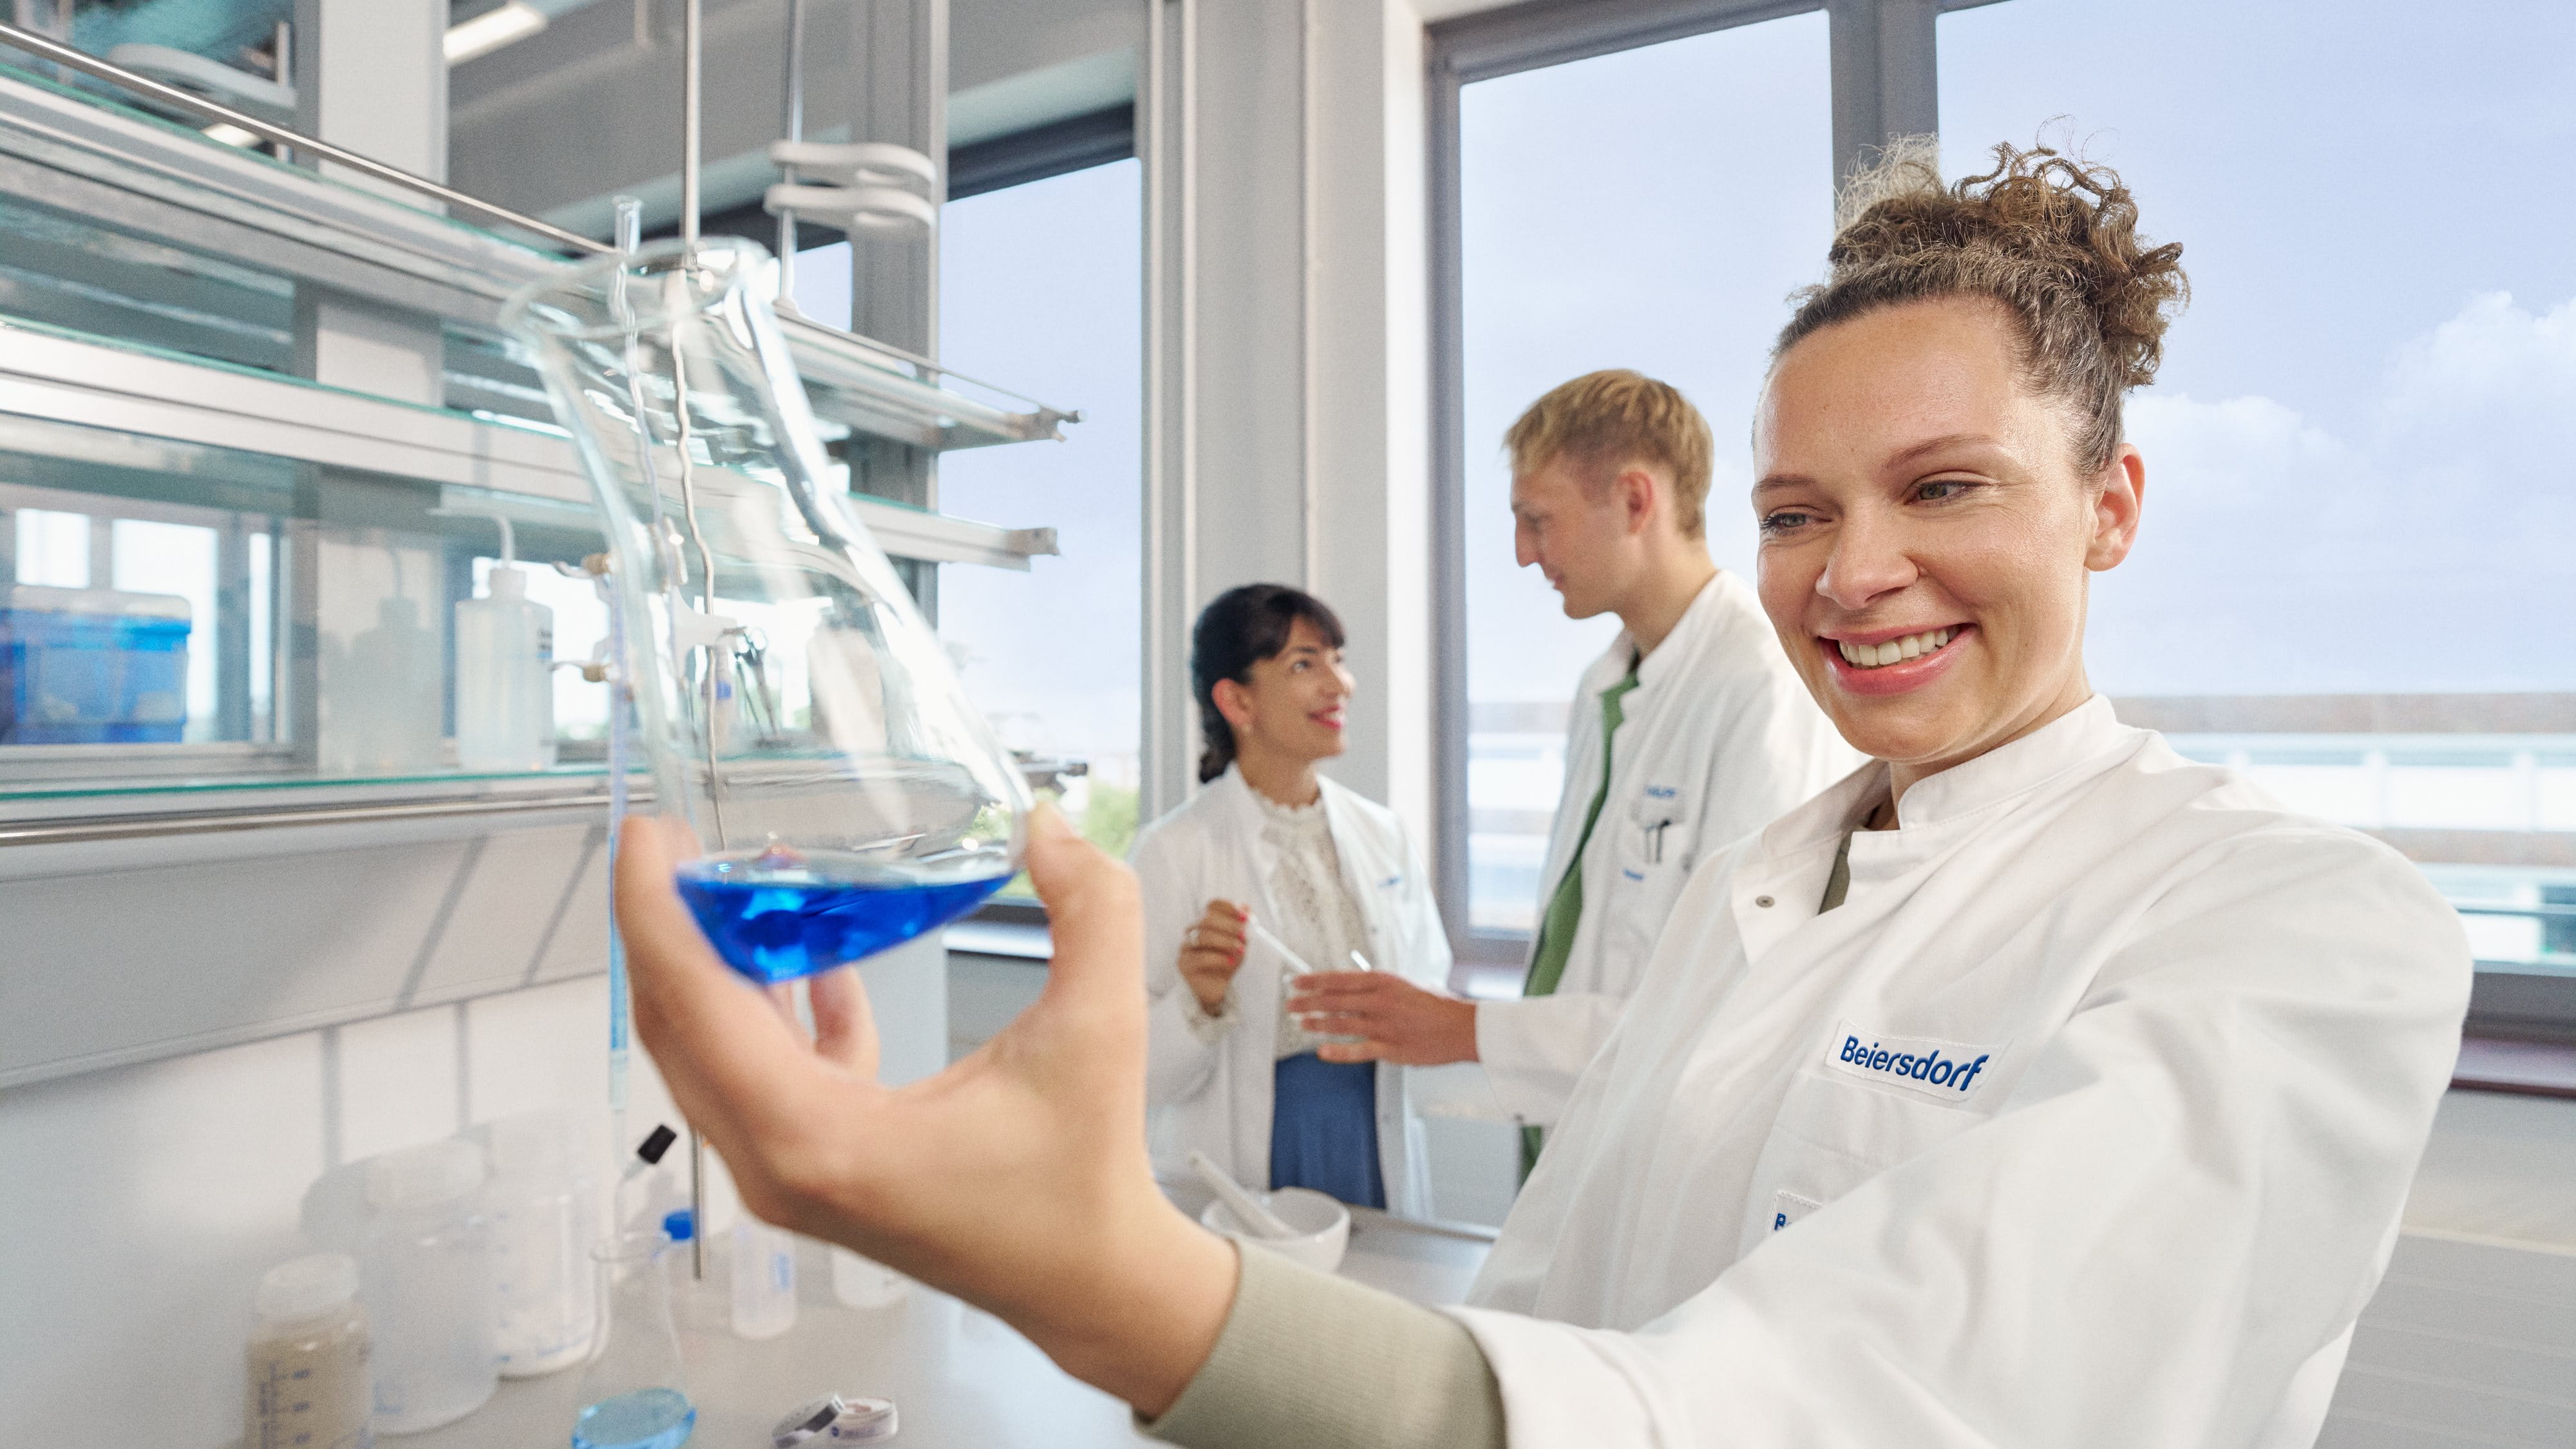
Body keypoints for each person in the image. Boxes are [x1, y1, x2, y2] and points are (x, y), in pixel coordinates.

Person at [612, 141, 2470, 1448]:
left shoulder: (2304, 934)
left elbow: (1842, 1407)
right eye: (1801, 513)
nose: (1851, 572)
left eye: (1949, 488)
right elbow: (1564, 1303)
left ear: (2114, 509)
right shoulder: (1772, 879)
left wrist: (1122, 1292)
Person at [1285, 372, 1854, 1166]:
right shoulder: (1606, 686)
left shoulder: (1763, 687)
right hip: (1577, 1127)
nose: (1524, 554)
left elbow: (1730, 1004)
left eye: (1536, 521)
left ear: (1632, 500)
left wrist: (1463, 1030)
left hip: (1670, 1155)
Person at [1129, 584, 1453, 1214]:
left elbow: (1428, 984)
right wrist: (1200, 998)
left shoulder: (1381, 834)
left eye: (1337, 658)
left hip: (1369, 1135)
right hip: (1252, 1148)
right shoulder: (1173, 851)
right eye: (1304, 665)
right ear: (1236, 700)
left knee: (1378, 1303)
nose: (1340, 685)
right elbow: (1137, 1076)